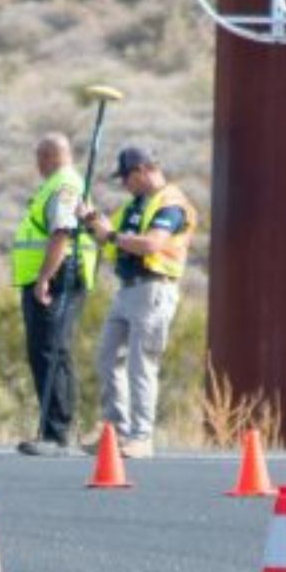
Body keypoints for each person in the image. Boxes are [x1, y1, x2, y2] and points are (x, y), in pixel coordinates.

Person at [81, 145, 197, 459]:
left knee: (140, 364)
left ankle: (141, 436)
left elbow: (151, 244)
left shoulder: (170, 204)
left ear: (143, 170)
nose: (124, 184)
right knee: (107, 356)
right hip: (127, 290)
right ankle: (114, 429)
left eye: (127, 177)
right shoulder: (135, 206)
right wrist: (91, 220)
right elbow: (109, 237)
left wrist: (111, 237)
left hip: (154, 289)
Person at [12, 132, 96, 456]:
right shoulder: (63, 184)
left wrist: (44, 277)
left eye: (38, 158)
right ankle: (55, 430)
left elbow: (62, 232)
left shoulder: (63, 186)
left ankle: (57, 433)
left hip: (59, 277)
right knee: (46, 351)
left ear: (47, 156)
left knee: (52, 351)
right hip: (54, 276)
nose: (37, 165)